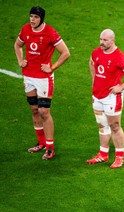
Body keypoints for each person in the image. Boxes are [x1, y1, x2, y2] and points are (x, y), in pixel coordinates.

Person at [14, 6, 70, 160]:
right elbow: (17, 45)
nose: (32, 20)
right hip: (28, 76)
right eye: (31, 16)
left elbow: (66, 53)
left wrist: (52, 67)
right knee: (34, 109)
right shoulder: (25, 29)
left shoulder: (50, 33)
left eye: (36, 17)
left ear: (41, 18)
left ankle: (50, 147)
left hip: (44, 78)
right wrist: (20, 60)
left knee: (44, 112)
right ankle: (41, 143)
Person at [86, 29, 124, 169]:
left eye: (105, 40)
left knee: (115, 126)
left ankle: (119, 157)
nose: (101, 42)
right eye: (100, 39)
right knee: (102, 124)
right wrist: (94, 79)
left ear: (112, 40)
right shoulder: (96, 52)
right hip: (97, 95)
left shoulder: (119, 57)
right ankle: (103, 154)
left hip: (111, 98)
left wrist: (121, 87)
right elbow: (92, 62)